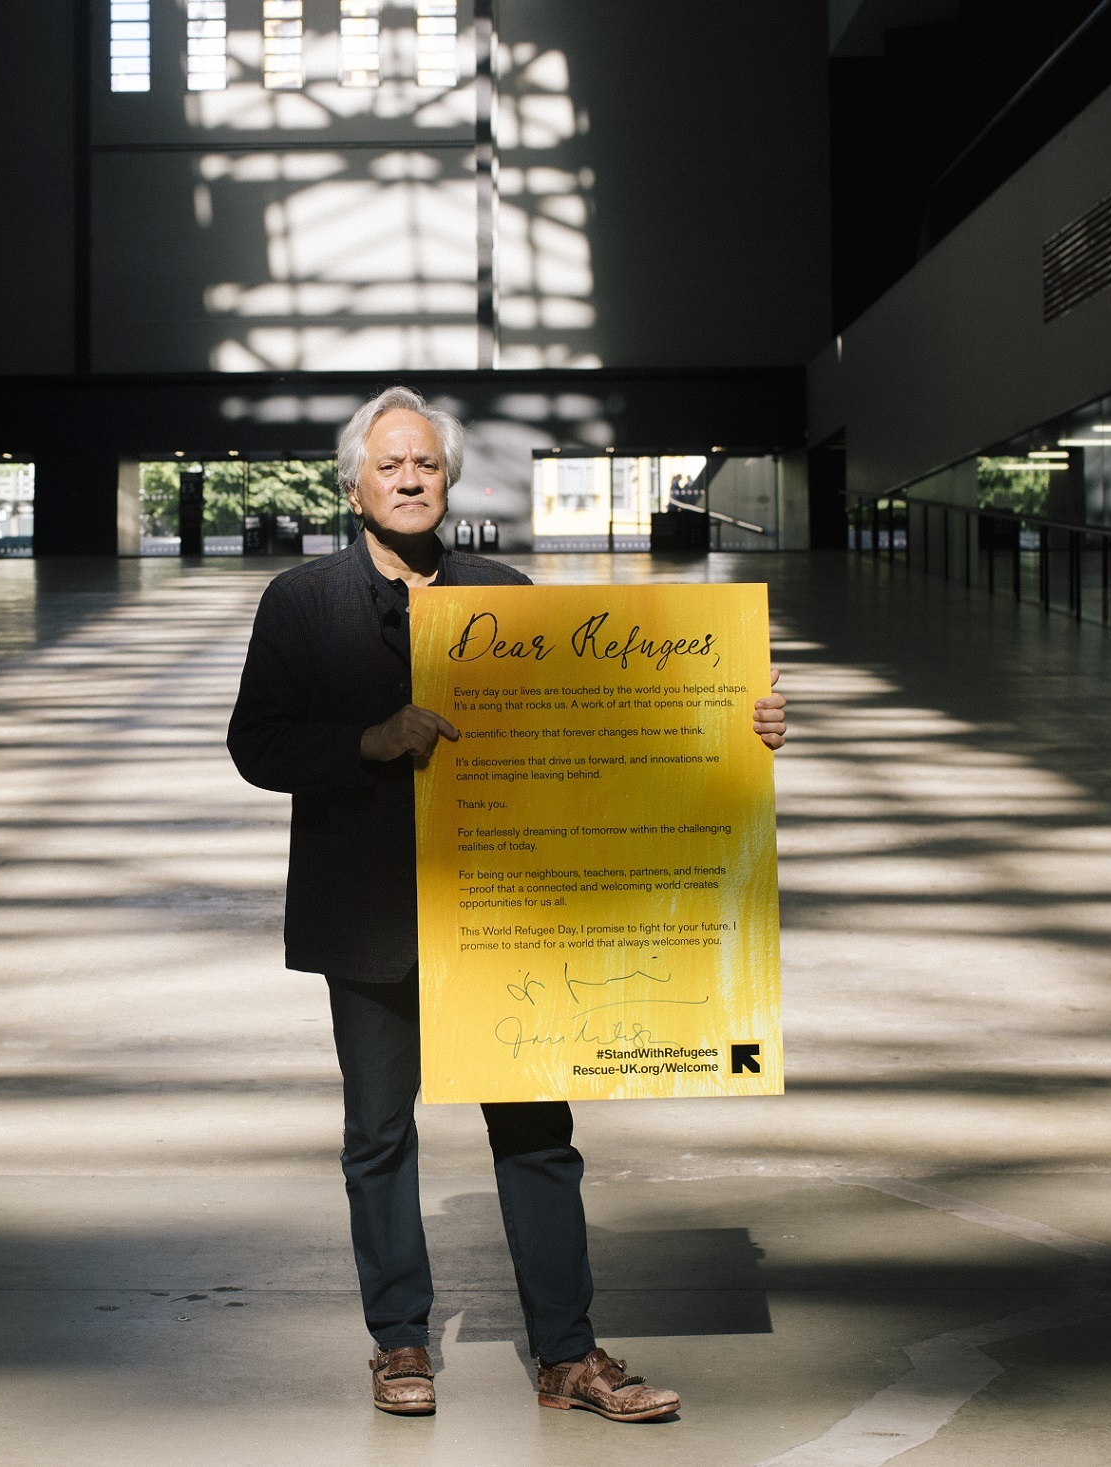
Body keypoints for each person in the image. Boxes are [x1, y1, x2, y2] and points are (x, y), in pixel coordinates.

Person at [226, 387, 787, 1422]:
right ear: (353, 482)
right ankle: (400, 1343)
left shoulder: (505, 591)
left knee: (536, 1134)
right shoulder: (300, 603)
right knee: (378, 1136)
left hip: (505, 916)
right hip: (372, 917)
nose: (408, 479)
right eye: (389, 465)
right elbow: (256, 747)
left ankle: (566, 1357)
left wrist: (729, 724)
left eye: (425, 465)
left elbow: (601, 734)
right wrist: (366, 741)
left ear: (448, 481)